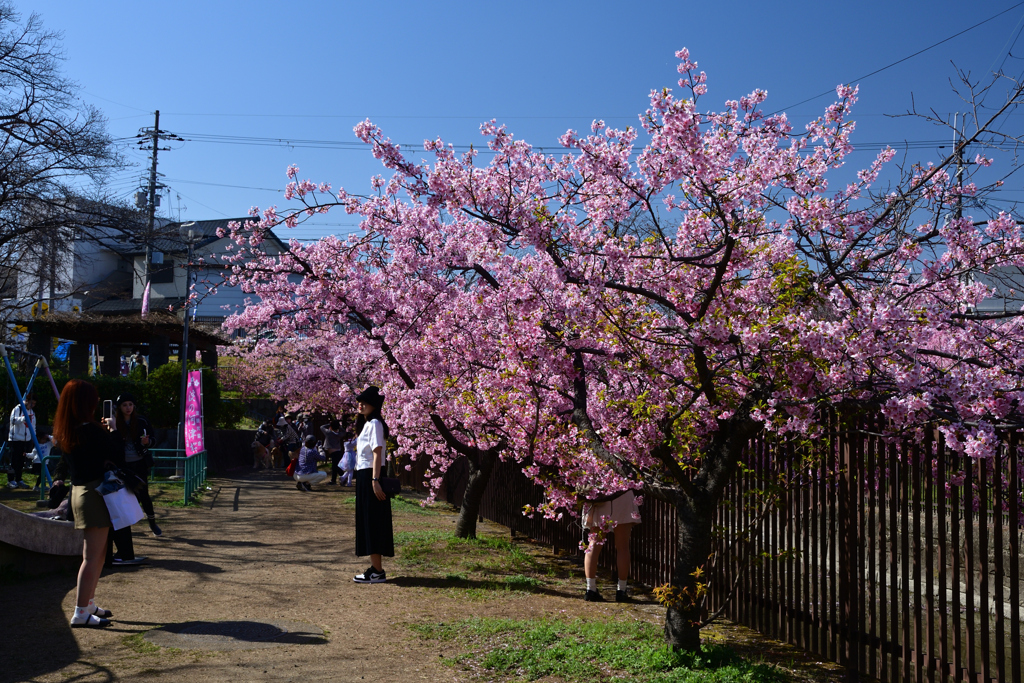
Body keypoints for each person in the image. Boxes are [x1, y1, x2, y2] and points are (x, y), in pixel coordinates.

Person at [54, 379, 118, 628]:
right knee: (92, 557)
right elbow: (117, 453)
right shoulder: (90, 430)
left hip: (81, 492)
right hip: (93, 493)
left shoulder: (69, 429)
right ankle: (81, 611)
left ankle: (88, 603)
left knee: (98, 554)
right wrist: (111, 430)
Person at [353, 386, 393, 584]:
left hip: (371, 475)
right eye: (359, 401)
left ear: (374, 405)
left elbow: (378, 453)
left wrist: (375, 481)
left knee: (373, 521)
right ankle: (375, 568)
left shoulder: (375, 423)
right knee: (367, 521)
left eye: (365, 402)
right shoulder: (366, 424)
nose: (360, 404)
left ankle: (377, 571)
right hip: (364, 476)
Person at [110, 393, 160, 537]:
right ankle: (124, 528)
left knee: (144, 494)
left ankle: (152, 523)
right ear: (119, 407)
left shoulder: (141, 420)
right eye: (125, 405)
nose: (128, 408)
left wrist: (147, 442)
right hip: (122, 465)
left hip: (139, 462)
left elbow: (153, 438)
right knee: (123, 496)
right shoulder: (113, 422)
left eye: (130, 405)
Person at [582, 490, 640, 603]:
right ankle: (621, 591)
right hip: (622, 495)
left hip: (599, 496)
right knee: (622, 546)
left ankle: (591, 589)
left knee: (593, 543)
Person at [7, 392, 37, 490]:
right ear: (27, 401)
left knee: (21, 461)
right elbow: (13, 420)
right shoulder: (18, 409)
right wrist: (24, 419)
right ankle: (10, 480)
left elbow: (33, 426)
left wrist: (33, 438)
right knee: (13, 460)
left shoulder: (32, 412)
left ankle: (19, 479)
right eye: (31, 403)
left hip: (26, 439)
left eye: (34, 404)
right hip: (15, 439)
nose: (32, 405)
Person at [321, 420, 344, 485]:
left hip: (334, 453)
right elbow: (344, 431)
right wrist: (339, 426)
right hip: (338, 452)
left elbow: (322, 427)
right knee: (335, 467)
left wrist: (329, 424)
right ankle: (334, 480)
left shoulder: (329, 433)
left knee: (336, 467)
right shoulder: (339, 434)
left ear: (331, 427)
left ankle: (343, 477)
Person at [339, 422, 358, 487]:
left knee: (349, 470)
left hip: (346, 456)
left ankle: (343, 477)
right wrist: (357, 437)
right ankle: (349, 483)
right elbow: (355, 442)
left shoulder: (345, 443)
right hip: (351, 456)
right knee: (351, 470)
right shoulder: (350, 443)